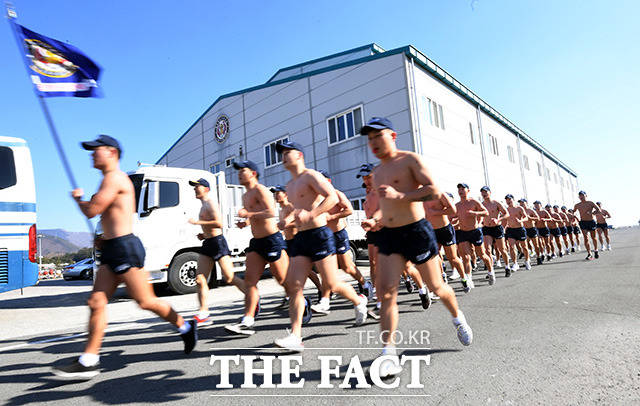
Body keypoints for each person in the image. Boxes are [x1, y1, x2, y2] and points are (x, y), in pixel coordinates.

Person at [53, 135, 196, 379]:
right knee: (96, 302)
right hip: (112, 248)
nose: (91, 154)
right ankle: (89, 360)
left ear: (111, 152)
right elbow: (110, 214)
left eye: (95, 150)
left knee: (146, 302)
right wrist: (103, 237)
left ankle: (185, 326)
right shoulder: (108, 181)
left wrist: (78, 199)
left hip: (125, 249)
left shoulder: (115, 178)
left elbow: (92, 210)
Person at [361, 117, 472, 378]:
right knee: (386, 293)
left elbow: (433, 190)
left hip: (416, 231)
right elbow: (384, 206)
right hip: (389, 235)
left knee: (436, 287)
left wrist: (402, 196)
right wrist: (374, 219)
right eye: (370, 139)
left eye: (379, 136)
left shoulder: (410, 160)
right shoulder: (376, 173)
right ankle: (389, 352)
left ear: (393, 135)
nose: (374, 143)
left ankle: (458, 318)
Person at [274, 140, 368, 352]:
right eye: (282, 153)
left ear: (299, 155)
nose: (283, 157)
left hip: (320, 235)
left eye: (288, 152)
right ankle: (296, 336)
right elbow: (296, 212)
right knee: (294, 286)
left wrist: (313, 214)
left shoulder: (311, 176)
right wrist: (286, 222)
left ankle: (358, 299)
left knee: (332, 283)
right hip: (301, 239)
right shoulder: (289, 186)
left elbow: (332, 197)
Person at [223, 161, 298, 335]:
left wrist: (248, 214)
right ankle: (247, 320)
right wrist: (246, 222)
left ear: (253, 173)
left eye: (243, 171)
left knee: (282, 279)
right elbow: (256, 215)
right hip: (256, 242)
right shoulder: (245, 195)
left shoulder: (261, 190)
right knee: (249, 281)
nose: (239, 174)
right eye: (239, 172)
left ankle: (303, 304)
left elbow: (271, 212)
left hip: (272, 240)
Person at [311, 170, 372, 315]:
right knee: (326, 270)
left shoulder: (336, 194)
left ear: (328, 182)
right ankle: (325, 300)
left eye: (322, 181)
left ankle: (365, 283)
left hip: (339, 234)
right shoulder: (316, 198)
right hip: (325, 237)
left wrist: (331, 217)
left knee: (347, 267)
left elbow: (349, 210)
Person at [188, 178, 246, 326]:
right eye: (194, 187)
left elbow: (219, 223)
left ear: (206, 189)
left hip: (218, 242)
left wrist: (198, 223)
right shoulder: (202, 206)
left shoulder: (211, 203)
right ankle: (204, 313)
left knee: (229, 277)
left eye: (197, 186)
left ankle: (252, 297)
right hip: (207, 242)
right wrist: (203, 234)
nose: (195, 189)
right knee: (200, 279)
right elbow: (210, 225)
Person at [272, 185, 322, 308]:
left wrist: (285, 225)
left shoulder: (290, 207)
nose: (276, 195)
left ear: (285, 194)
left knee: (306, 270)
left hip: (297, 240)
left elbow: (300, 221)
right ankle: (289, 296)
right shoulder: (281, 210)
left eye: (278, 193)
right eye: (274, 193)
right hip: (287, 242)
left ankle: (321, 289)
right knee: (287, 271)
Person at [424, 191, 468, 292]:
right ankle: (442, 277)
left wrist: (436, 212)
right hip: (431, 231)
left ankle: (464, 278)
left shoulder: (439, 194)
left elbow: (453, 210)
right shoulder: (418, 196)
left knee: (452, 258)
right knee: (434, 256)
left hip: (445, 229)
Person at [454, 183, 493, 287]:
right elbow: (452, 216)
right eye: (459, 189)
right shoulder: (457, 205)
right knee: (466, 257)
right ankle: (469, 279)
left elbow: (486, 213)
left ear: (468, 190)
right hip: (463, 232)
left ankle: (490, 271)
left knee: (482, 255)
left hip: (475, 232)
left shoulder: (473, 201)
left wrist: (475, 213)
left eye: (463, 189)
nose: (461, 191)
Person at [480, 186, 511, 272]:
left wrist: (498, 220)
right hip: (486, 228)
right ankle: (491, 271)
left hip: (497, 228)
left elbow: (506, 214)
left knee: (502, 249)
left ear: (490, 192)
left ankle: (507, 266)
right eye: (482, 192)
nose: (484, 194)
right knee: (487, 250)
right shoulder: (481, 205)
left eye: (485, 192)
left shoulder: (496, 203)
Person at [504, 194, 532, 271]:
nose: (508, 201)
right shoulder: (506, 210)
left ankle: (527, 261)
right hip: (511, 230)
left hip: (520, 229)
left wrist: (520, 220)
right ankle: (515, 264)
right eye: (507, 200)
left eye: (510, 200)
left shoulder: (519, 208)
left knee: (525, 247)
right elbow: (504, 220)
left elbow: (526, 217)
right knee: (511, 247)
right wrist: (504, 228)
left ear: (513, 200)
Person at [574, 191, 602, 260]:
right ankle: (589, 253)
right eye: (580, 196)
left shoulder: (590, 203)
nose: (581, 197)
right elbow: (573, 212)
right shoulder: (577, 205)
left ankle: (596, 250)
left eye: (582, 195)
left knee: (593, 237)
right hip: (583, 222)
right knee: (585, 238)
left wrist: (592, 213)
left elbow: (599, 210)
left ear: (586, 195)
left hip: (591, 222)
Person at [518, 199, 543, 265]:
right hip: (524, 229)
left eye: (522, 203)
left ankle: (538, 257)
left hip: (532, 229)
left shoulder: (530, 210)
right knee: (525, 245)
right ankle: (528, 260)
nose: (521, 204)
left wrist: (530, 218)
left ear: (526, 203)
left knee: (536, 245)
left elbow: (537, 218)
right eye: (520, 203)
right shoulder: (519, 211)